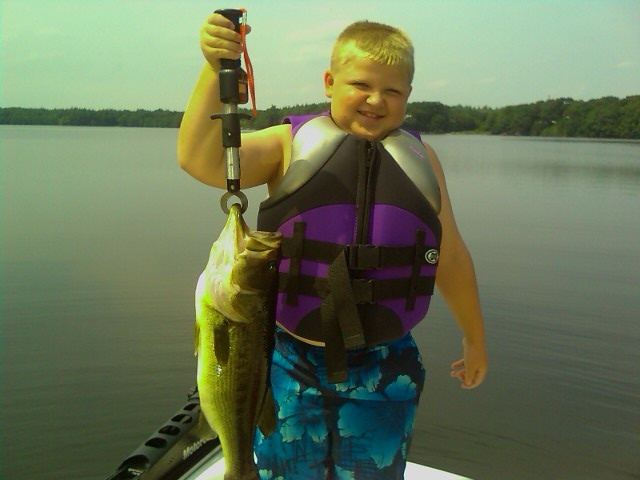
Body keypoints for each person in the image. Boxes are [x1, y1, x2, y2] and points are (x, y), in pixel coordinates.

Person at [178, 12, 487, 480]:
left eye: (393, 91)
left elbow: (451, 255)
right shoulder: (290, 144)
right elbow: (199, 159)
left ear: (408, 95)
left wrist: (475, 337)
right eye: (360, 84)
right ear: (329, 81)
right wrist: (212, 66)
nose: (376, 100)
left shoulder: (423, 161)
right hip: (288, 362)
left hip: (386, 364)